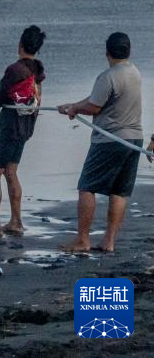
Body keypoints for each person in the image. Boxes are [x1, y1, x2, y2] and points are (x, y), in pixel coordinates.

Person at [58, 32, 151, 253]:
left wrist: (75, 108)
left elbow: (94, 107)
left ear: (107, 52)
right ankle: (108, 242)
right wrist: (74, 105)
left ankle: (83, 240)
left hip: (110, 139)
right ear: (128, 51)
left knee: (86, 187)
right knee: (119, 191)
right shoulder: (135, 72)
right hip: (134, 138)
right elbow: (96, 100)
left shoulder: (108, 76)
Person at [0, 25, 47, 238]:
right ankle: (16, 222)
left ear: (20, 44)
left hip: (11, 129)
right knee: (10, 172)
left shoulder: (15, 70)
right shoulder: (38, 70)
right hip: (26, 129)